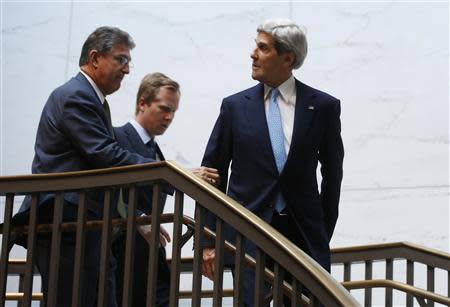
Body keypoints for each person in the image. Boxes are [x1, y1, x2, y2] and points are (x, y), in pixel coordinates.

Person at [200, 19, 344, 306]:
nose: (253, 54)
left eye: (262, 48)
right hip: (249, 234)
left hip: (303, 239)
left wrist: (321, 230)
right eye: (256, 46)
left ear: (287, 57)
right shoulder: (234, 107)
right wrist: (209, 240)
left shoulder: (324, 106)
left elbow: (333, 174)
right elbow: (212, 174)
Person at [12, 26, 154, 307]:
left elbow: (98, 168)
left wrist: (135, 215)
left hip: (87, 226)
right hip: (66, 224)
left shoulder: (91, 99)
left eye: (128, 62)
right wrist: (168, 169)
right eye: (121, 59)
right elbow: (105, 155)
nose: (127, 70)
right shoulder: (76, 95)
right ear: (95, 57)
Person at [112, 72, 219, 307]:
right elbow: (110, 195)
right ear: (142, 102)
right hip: (120, 257)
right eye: (164, 108)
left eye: (174, 111)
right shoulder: (116, 138)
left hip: (150, 259)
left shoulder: (155, 150)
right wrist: (182, 175)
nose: (169, 117)